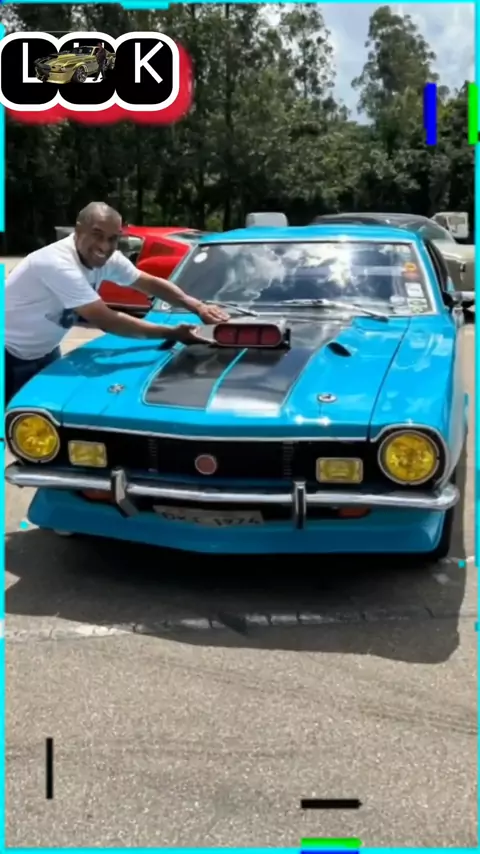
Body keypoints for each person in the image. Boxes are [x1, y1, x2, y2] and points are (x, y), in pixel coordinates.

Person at [5, 202, 229, 406]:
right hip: (8, 353)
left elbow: (148, 283)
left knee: (36, 420)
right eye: (97, 235)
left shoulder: (107, 259)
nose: (105, 246)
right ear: (78, 230)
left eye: (113, 238)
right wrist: (172, 333)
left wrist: (197, 306)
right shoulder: (57, 263)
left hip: (43, 351)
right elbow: (106, 320)